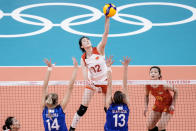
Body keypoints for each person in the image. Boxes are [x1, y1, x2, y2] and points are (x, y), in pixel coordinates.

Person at [69, 16, 110, 131]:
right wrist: (92, 85)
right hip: (92, 82)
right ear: (82, 46)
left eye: (88, 40)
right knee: (83, 107)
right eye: (84, 41)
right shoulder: (83, 58)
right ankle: (72, 128)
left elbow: (105, 34)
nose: (87, 41)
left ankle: (111, 127)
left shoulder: (99, 49)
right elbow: (84, 74)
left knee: (107, 108)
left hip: (105, 81)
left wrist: (107, 19)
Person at [42, 58, 78, 131]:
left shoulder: (45, 109)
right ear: (56, 102)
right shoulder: (60, 109)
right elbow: (70, 88)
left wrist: (49, 68)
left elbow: (44, 88)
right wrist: (75, 68)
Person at [144, 66, 178, 131]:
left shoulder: (164, 84)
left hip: (168, 106)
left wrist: (173, 104)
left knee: (161, 127)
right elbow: (146, 96)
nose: (153, 73)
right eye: (151, 72)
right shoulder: (147, 84)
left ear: (159, 75)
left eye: (155, 72)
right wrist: (146, 106)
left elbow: (176, 91)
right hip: (158, 105)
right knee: (149, 125)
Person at [104, 56, 131, 131]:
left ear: (113, 99)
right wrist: (125, 67)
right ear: (123, 99)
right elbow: (125, 86)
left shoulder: (109, 105)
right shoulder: (126, 106)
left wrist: (108, 67)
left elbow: (109, 85)